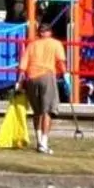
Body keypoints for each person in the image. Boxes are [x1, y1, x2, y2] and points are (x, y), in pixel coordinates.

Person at [18, 20, 67, 155]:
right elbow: (60, 61)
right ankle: (44, 143)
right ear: (50, 32)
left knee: (37, 111)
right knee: (48, 110)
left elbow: (23, 65)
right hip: (47, 76)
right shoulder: (55, 44)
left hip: (31, 78)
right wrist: (66, 75)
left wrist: (19, 82)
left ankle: (39, 140)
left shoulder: (31, 45)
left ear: (39, 32)